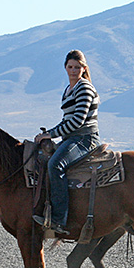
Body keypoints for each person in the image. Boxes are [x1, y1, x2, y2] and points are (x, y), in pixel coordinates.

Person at [32, 50, 100, 234]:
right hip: (71, 137)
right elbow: (67, 119)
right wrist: (49, 134)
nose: (73, 70)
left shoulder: (84, 88)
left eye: (77, 67)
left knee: (55, 165)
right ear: (65, 67)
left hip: (84, 138)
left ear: (84, 68)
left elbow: (78, 120)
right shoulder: (69, 89)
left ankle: (58, 220)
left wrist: (51, 135)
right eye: (70, 67)